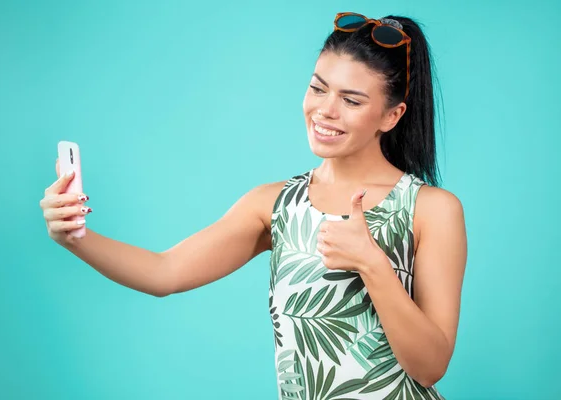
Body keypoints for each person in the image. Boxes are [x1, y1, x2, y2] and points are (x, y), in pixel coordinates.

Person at [39, 12, 467, 400]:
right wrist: (75, 237)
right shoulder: (274, 204)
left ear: (391, 116)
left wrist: (372, 264)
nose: (325, 110)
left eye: (352, 100)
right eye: (318, 88)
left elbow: (430, 367)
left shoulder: (431, 209)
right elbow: (163, 272)